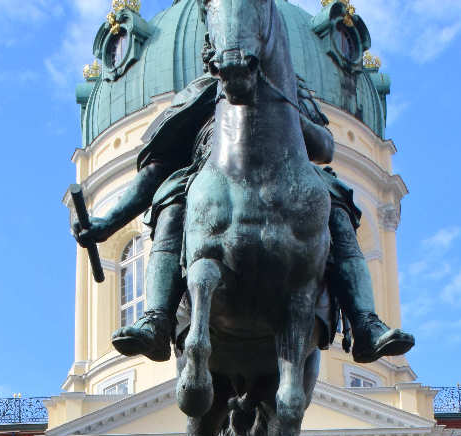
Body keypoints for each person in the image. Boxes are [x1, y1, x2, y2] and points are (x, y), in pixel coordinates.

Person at [71, 62, 414, 367]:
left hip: (289, 174)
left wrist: (286, 110)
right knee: (171, 202)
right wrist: (107, 223)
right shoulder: (200, 92)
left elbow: (324, 148)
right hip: (206, 176)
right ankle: (157, 319)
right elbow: (154, 172)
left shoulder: (288, 84)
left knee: (336, 205)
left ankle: (365, 322)